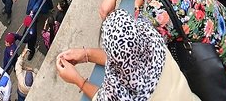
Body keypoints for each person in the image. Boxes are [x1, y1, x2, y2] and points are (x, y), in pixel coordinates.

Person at [56, 8, 199, 101]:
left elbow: (102, 98)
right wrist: (86, 55)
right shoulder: (152, 38)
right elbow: (128, 58)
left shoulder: (120, 94)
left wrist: (78, 80)